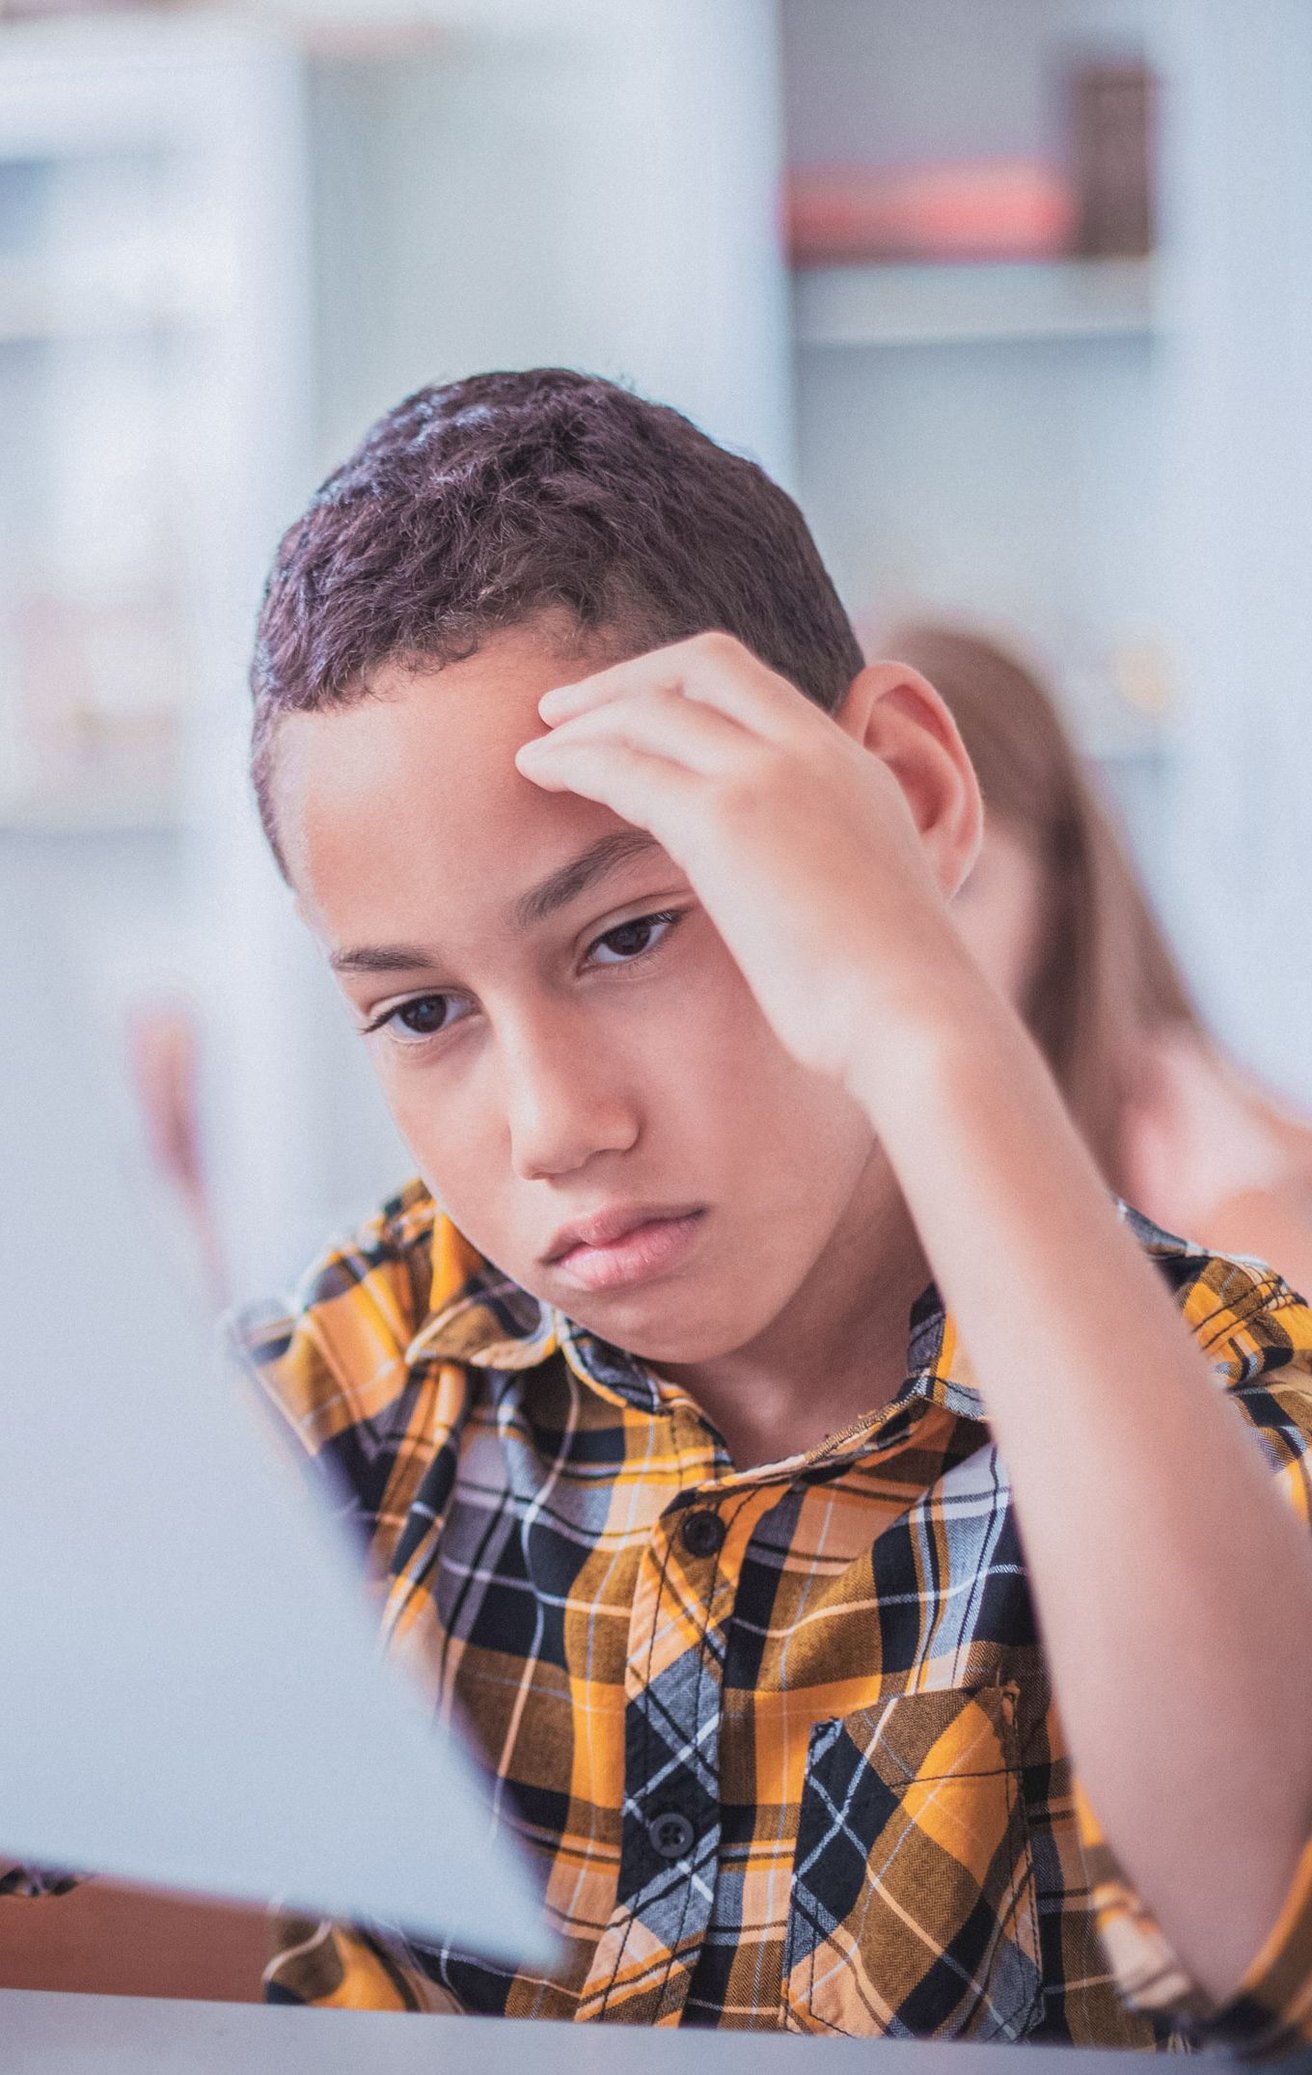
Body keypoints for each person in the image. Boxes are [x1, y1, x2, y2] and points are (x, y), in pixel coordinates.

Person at [15, 370, 1309, 2048]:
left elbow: (1262, 1920)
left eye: (627, 935)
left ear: (904, 802)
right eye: (422, 1012)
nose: (555, 1124)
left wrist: (927, 1025)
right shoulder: (351, 1382)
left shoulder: (1225, 1403)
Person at [888, 623, 1312, 1296]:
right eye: (867, 888)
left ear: (1062, 889)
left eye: (960, 886)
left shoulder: (1161, 1119)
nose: (899, 940)